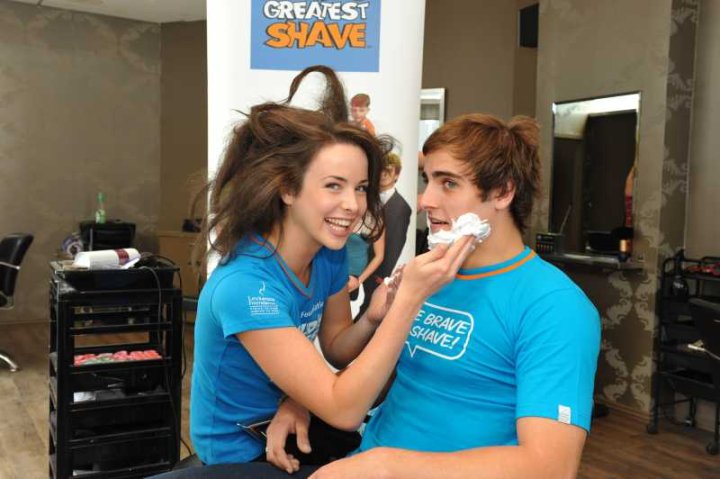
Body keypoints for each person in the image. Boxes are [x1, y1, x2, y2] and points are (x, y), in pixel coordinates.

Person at [254, 113, 601, 479]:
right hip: (359, 459)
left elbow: (550, 467)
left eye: (448, 183)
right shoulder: (430, 277)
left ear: (502, 192)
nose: (425, 200)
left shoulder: (555, 306)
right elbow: (392, 375)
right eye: (427, 180)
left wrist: (386, 466)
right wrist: (305, 402)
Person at [187, 65, 477, 472]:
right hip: (241, 452)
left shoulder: (328, 255)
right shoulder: (245, 286)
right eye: (333, 186)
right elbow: (343, 409)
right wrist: (410, 299)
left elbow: (337, 347)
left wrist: (373, 316)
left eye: (360, 188)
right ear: (288, 188)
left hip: (299, 426)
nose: (353, 205)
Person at [359, 153, 412, 316]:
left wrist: (382, 275)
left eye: (388, 170)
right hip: (356, 262)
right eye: (380, 170)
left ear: (397, 174)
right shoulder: (365, 198)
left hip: (377, 269)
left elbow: (395, 245)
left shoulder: (401, 207)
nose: (383, 174)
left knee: (370, 307)